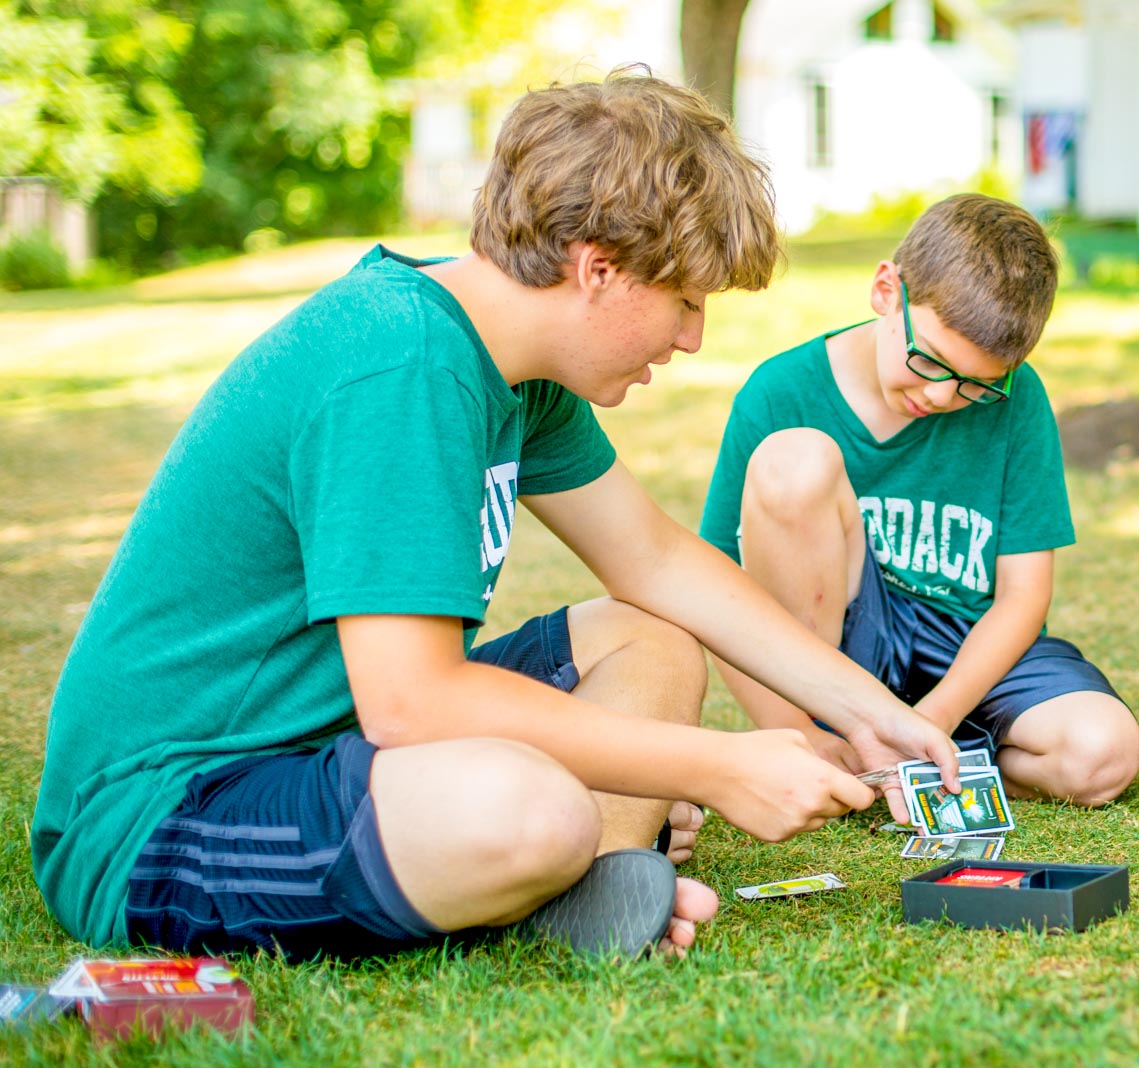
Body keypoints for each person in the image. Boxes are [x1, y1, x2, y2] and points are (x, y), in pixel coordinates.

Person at [31, 70, 957, 963]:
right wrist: (714, 764)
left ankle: (565, 881)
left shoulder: (519, 372)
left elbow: (657, 561)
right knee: (528, 807)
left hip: (339, 747)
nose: (691, 338)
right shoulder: (403, 363)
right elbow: (413, 700)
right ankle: (549, 859)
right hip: (168, 811)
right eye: (683, 302)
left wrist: (871, 710)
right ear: (597, 269)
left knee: (654, 640)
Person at [697, 194, 1139, 809]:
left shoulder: (1020, 401)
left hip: (966, 643)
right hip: (845, 646)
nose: (939, 395)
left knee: (1102, 752)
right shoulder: (780, 390)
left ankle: (904, 764)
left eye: (976, 386)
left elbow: (1023, 596)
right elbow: (715, 586)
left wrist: (931, 719)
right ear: (886, 290)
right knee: (793, 460)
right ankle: (819, 741)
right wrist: (792, 728)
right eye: (927, 360)